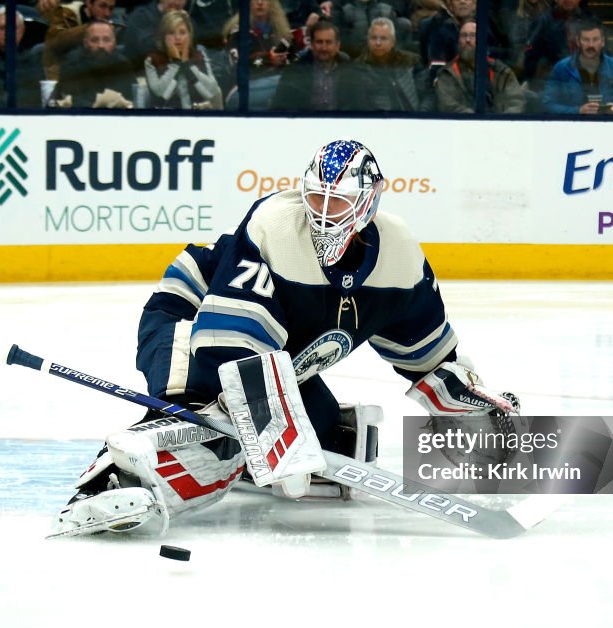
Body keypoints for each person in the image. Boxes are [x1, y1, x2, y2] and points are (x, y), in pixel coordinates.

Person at [51, 139, 519, 537]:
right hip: (192, 317)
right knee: (211, 417)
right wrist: (272, 433)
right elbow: (230, 345)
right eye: (315, 198)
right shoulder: (274, 223)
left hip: (279, 356)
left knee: (327, 435)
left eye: (337, 203)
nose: (323, 214)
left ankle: (246, 454)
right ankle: (111, 481)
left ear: (369, 203)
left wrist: (471, 401)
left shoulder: (398, 254)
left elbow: (428, 353)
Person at [541, 19, 613, 115]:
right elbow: (548, 104)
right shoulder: (561, 68)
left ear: (603, 42)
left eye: (595, 39)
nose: (591, 45)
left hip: (607, 125)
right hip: (573, 126)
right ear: (577, 41)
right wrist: (578, 111)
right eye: (586, 40)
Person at [269, 20, 361, 110]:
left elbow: (357, 105)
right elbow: (280, 106)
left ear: (337, 46)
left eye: (328, 42)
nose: (324, 48)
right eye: (319, 42)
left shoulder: (350, 71)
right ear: (312, 45)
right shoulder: (295, 71)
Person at [436, 20, 525, 113]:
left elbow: (516, 102)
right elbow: (448, 105)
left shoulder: (501, 71)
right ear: (458, 41)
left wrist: (498, 123)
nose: (467, 40)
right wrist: (476, 121)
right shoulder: (448, 73)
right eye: (463, 35)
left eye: (473, 35)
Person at [144, 9, 223, 108]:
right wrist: (176, 63)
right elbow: (160, 94)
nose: (177, 37)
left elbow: (212, 91)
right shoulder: (153, 60)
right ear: (163, 37)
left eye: (182, 32)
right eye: (172, 33)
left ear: (190, 36)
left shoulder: (199, 56)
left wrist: (187, 64)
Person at [56, 20, 134, 107]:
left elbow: (129, 101)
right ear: (85, 43)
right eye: (94, 40)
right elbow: (72, 101)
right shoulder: (71, 64)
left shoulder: (123, 64)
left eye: (106, 40)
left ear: (114, 43)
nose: (101, 45)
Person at [353, 17, 423, 111]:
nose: (378, 43)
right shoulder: (358, 67)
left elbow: (426, 94)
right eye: (373, 38)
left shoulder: (411, 61)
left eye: (383, 38)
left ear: (393, 42)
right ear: (368, 40)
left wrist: (422, 115)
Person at [40, 0, 116, 79]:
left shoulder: (109, 27)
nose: (107, 13)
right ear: (89, 3)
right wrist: (90, 29)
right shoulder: (65, 13)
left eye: (111, 8)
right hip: (63, 71)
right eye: (102, 6)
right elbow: (54, 42)